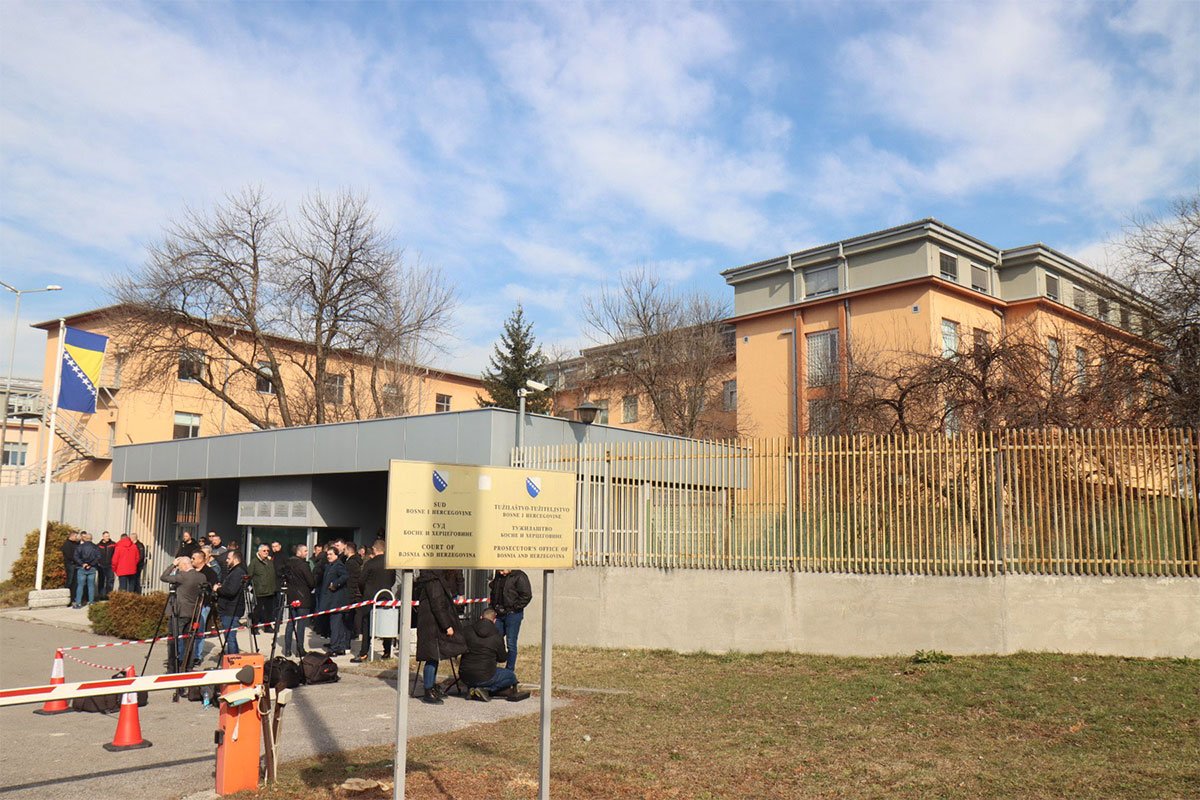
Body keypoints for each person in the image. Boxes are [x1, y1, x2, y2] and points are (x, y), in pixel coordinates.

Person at [413, 569, 466, 704]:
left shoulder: (430, 580)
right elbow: (438, 606)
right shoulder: (434, 583)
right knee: (432, 657)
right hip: (432, 625)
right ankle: (428, 690)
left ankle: (431, 687)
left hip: (430, 624)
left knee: (434, 657)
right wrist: (447, 625)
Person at [462, 608, 531, 702]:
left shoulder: (467, 630)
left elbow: (459, 647)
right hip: (485, 675)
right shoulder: (497, 636)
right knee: (511, 676)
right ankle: (485, 689)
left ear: (481, 617)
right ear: (494, 621)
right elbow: (502, 658)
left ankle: (473, 688)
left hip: (464, 675)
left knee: (480, 675)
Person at [161, 556, 208, 671]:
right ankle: (188, 666)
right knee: (189, 641)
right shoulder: (202, 576)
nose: (178, 569)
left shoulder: (183, 576)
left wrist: (172, 565)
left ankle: (172, 667)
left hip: (179, 612)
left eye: (179, 566)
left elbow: (164, 577)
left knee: (173, 640)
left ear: (184, 565)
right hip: (193, 613)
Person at [351, 540, 396, 662]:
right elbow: (392, 580)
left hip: (370, 597)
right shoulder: (390, 563)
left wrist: (365, 591)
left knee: (367, 625)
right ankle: (387, 651)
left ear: (375, 549)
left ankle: (363, 653)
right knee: (387, 624)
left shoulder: (370, 563)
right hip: (386, 596)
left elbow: (361, 580)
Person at [488, 568, 532, 671]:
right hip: (499, 614)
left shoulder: (519, 576)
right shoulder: (499, 576)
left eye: (503, 570)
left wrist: (515, 607)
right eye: (499, 570)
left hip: (513, 614)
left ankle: (510, 669)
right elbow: (494, 592)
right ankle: (491, 668)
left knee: (511, 643)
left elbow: (527, 595)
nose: (501, 572)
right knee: (495, 640)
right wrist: (493, 606)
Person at [213, 551, 248, 656]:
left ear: (235, 559)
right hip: (228, 608)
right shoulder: (233, 571)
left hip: (231, 609)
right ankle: (234, 657)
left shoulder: (238, 572)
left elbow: (231, 591)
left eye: (229, 558)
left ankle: (232, 658)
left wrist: (218, 589)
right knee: (229, 637)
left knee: (230, 637)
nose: (226, 560)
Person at [284, 544, 315, 658]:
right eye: (305, 551)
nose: (307, 553)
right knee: (301, 625)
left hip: (292, 596)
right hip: (303, 597)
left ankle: (287, 649)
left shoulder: (288, 564)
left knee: (290, 623)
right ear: (299, 552)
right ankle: (299, 649)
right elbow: (311, 582)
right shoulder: (303, 565)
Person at [191, 548, 220, 664]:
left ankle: (197, 656)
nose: (191, 560)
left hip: (203, 604)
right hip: (190, 604)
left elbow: (212, 589)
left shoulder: (210, 573)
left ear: (200, 559)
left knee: (200, 629)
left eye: (193, 558)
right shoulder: (191, 571)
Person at [322, 548, 351, 656]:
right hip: (332, 599)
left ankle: (334, 648)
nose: (328, 556)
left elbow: (345, 576)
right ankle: (340, 646)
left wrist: (335, 584)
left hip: (337, 601)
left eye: (330, 554)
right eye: (327, 554)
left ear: (336, 555)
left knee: (335, 625)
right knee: (338, 625)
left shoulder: (338, 565)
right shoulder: (330, 565)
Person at [247, 543, 279, 635]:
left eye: (267, 551)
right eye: (264, 551)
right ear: (259, 551)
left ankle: (267, 627)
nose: (266, 552)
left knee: (269, 611)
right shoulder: (254, 562)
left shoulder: (269, 561)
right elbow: (249, 575)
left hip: (270, 590)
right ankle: (254, 627)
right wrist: (250, 587)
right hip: (259, 591)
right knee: (257, 611)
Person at [71, 532, 102, 608]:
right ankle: (91, 602)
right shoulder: (95, 547)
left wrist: (82, 563)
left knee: (80, 585)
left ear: (85, 539)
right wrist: (91, 564)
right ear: (91, 539)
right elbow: (98, 557)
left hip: (81, 568)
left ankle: (78, 603)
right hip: (92, 568)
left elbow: (75, 556)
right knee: (91, 586)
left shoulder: (80, 547)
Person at [96, 531, 115, 600]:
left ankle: (109, 595)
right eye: (106, 536)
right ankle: (101, 595)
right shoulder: (98, 545)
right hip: (101, 566)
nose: (108, 537)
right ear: (103, 537)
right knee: (101, 580)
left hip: (110, 566)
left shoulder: (113, 544)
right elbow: (96, 555)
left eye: (108, 536)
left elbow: (115, 554)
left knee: (110, 580)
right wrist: (98, 563)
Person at [60, 531, 80, 597]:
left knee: (75, 581)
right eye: (75, 536)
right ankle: (66, 596)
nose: (76, 538)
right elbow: (69, 555)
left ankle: (73, 596)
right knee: (70, 581)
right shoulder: (67, 544)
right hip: (70, 564)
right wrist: (77, 559)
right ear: (72, 536)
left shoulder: (76, 544)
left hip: (76, 565)